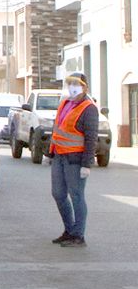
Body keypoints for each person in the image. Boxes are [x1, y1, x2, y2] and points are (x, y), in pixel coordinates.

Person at [49, 72, 98, 248]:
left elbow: (91, 138)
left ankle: (79, 235)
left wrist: (87, 164)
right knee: (58, 194)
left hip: (75, 160)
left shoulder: (89, 108)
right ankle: (69, 230)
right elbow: (58, 130)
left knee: (76, 196)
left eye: (75, 83)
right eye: (69, 83)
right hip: (59, 156)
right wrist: (51, 152)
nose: (72, 87)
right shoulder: (65, 103)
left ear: (85, 87)